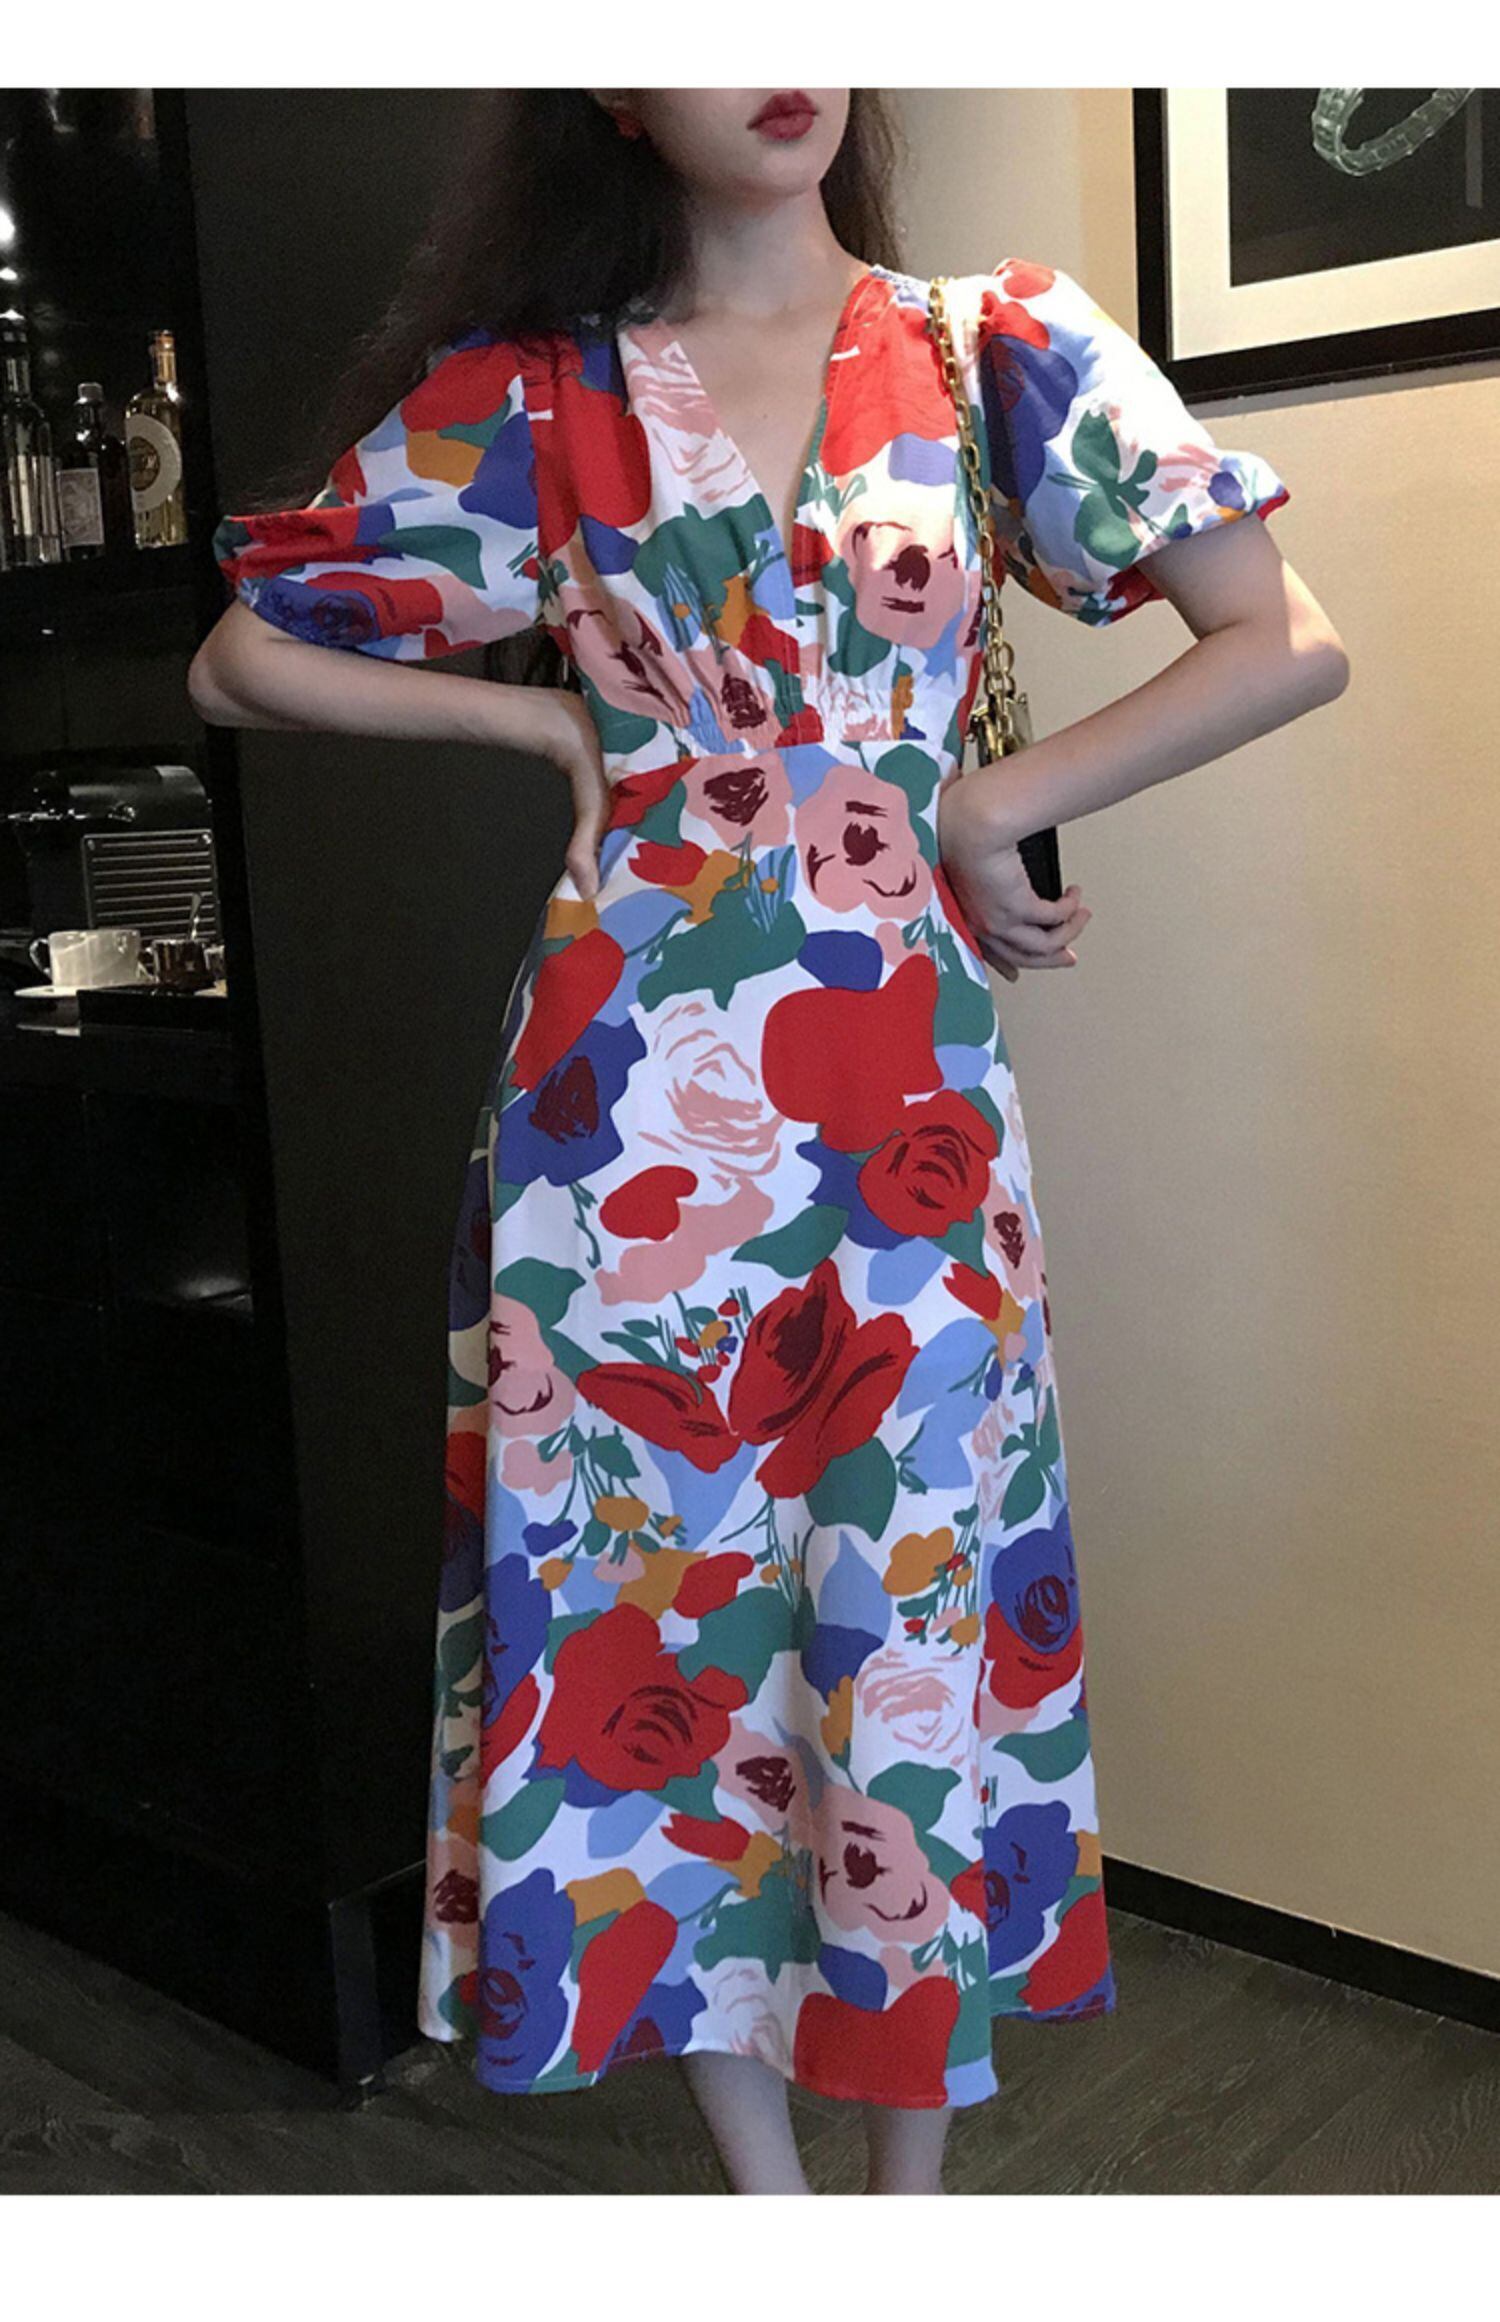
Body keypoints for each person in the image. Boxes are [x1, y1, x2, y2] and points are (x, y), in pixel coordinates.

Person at [189, 87, 1348, 2197]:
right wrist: (541, 715)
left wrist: (987, 802)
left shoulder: (991, 345)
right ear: (617, 88)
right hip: (618, 1121)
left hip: (907, 1127)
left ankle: (905, 2210)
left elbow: (1281, 635)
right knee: (660, 1627)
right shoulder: (538, 396)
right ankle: (776, 2209)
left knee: (907, 1613)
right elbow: (246, 656)